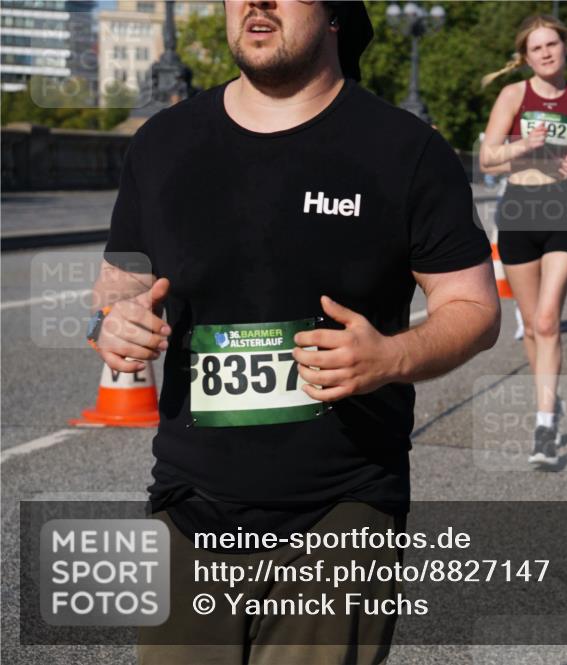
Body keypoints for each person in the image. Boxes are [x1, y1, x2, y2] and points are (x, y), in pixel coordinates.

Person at [88, 2, 500, 661]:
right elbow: (122, 280)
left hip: (340, 510)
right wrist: (114, 320)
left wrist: (392, 355)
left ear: (335, 12)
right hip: (188, 505)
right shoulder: (163, 144)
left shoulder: (404, 150)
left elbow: (474, 307)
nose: (256, 2)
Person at [480, 14, 567, 467]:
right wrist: (522, 146)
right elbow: (488, 159)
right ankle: (549, 398)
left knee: (548, 321)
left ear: (563, 47)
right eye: (537, 48)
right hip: (518, 213)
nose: (546, 53)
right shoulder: (514, 95)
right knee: (531, 325)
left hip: (563, 214)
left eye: (552, 44)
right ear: (527, 56)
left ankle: (545, 423)